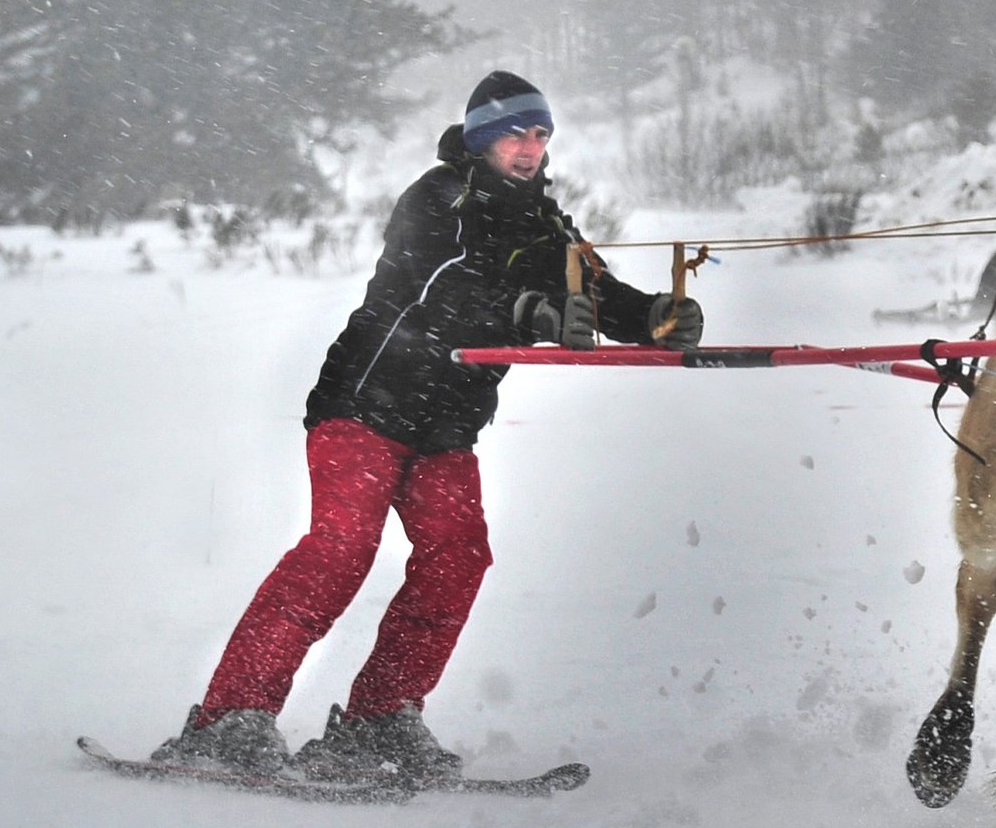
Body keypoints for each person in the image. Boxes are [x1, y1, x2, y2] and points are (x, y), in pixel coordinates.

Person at [152, 70, 704, 781]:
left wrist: (655, 319)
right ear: (480, 139)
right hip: (364, 407)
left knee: (460, 556)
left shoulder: (543, 219)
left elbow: (588, 291)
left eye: (540, 134)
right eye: (515, 133)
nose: (530, 147)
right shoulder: (436, 198)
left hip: (444, 427)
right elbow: (444, 286)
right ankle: (230, 719)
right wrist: (530, 314)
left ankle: (379, 721)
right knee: (341, 551)